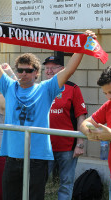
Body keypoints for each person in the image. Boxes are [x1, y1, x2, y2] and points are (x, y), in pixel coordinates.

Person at [0, 17, 95, 199]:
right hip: (12, 157)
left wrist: (83, 46)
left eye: (29, 71)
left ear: (36, 73)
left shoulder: (46, 89)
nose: (24, 74)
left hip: (37, 158)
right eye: (20, 70)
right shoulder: (9, 86)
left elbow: (69, 69)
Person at [44, 56, 87, 199]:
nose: (49, 71)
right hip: (44, 146)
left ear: (62, 70)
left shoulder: (73, 88)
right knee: (39, 182)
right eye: (47, 68)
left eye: (53, 67)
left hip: (67, 147)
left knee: (66, 183)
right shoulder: (41, 87)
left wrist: (80, 143)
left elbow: (81, 116)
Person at [80, 66, 111, 171]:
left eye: (110, 92)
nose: (108, 97)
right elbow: (85, 123)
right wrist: (90, 132)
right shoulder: (108, 106)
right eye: (105, 93)